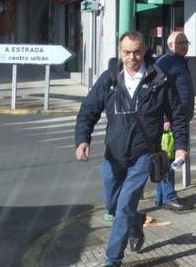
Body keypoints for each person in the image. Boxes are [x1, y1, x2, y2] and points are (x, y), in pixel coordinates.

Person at [75, 30, 188, 267]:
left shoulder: (160, 79)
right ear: (120, 52)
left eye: (137, 52)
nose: (132, 57)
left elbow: (177, 116)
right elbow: (89, 110)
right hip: (113, 154)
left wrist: (180, 147)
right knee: (113, 205)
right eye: (127, 52)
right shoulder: (110, 79)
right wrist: (82, 139)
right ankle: (136, 222)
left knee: (125, 205)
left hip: (144, 154)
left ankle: (112, 259)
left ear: (145, 51)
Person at [154, 31, 195, 211]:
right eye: (180, 42)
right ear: (170, 45)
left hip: (179, 118)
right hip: (170, 119)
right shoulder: (166, 62)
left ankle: (161, 196)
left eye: (186, 42)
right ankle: (168, 196)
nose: (184, 45)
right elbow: (158, 90)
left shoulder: (180, 61)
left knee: (168, 157)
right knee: (169, 158)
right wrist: (164, 117)